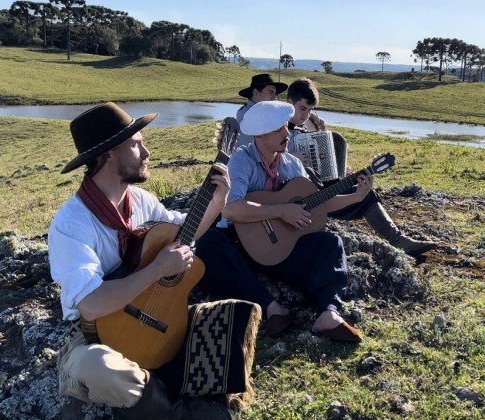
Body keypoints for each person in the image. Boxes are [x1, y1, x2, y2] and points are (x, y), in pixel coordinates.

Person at [48, 102, 237, 418]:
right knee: (94, 366)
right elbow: (91, 304)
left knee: (229, 318)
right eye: (136, 145)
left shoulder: (139, 200)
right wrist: (159, 268)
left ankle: (152, 390)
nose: (147, 152)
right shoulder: (71, 224)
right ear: (109, 156)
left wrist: (218, 200)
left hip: (152, 314)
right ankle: (176, 408)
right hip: (94, 333)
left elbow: (182, 235)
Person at [195, 101, 369, 343]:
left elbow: (317, 203)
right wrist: (280, 211)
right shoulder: (241, 161)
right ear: (261, 134)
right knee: (209, 243)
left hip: (282, 248)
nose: (287, 133)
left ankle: (328, 313)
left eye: (285, 127)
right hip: (242, 245)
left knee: (330, 243)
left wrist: (355, 196)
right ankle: (272, 308)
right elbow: (231, 209)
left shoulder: (292, 164)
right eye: (278, 129)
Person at [286, 78, 435, 258]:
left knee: (366, 193)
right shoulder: (276, 129)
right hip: (296, 200)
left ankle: (398, 239)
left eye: (310, 110)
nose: (306, 115)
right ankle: (398, 240)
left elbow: (325, 155)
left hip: (321, 192)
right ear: (289, 103)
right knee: (360, 195)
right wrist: (290, 157)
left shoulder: (306, 129)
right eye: (302, 109)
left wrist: (337, 169)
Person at [235, 73, 325, 147]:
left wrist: (312, 115)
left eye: (276, 93)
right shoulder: (250, 115)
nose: (275, 97)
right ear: (255, 92)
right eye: (270, 92)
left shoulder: (257, 110)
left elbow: (290, 107)